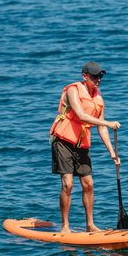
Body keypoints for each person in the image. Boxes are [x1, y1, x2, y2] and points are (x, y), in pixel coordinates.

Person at [49, 61, 121, 233]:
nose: (98, 80)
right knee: (68, 184)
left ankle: (90, 224)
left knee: (88, 184)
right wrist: (108, 122)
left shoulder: (98, 97)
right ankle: (65, 226)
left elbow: (101, 128)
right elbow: (81, 116)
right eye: (95, 76)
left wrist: (112, 152)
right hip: (63, 140)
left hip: (81, 143)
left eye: (100, 76)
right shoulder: (73, 90)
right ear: (85, 76)